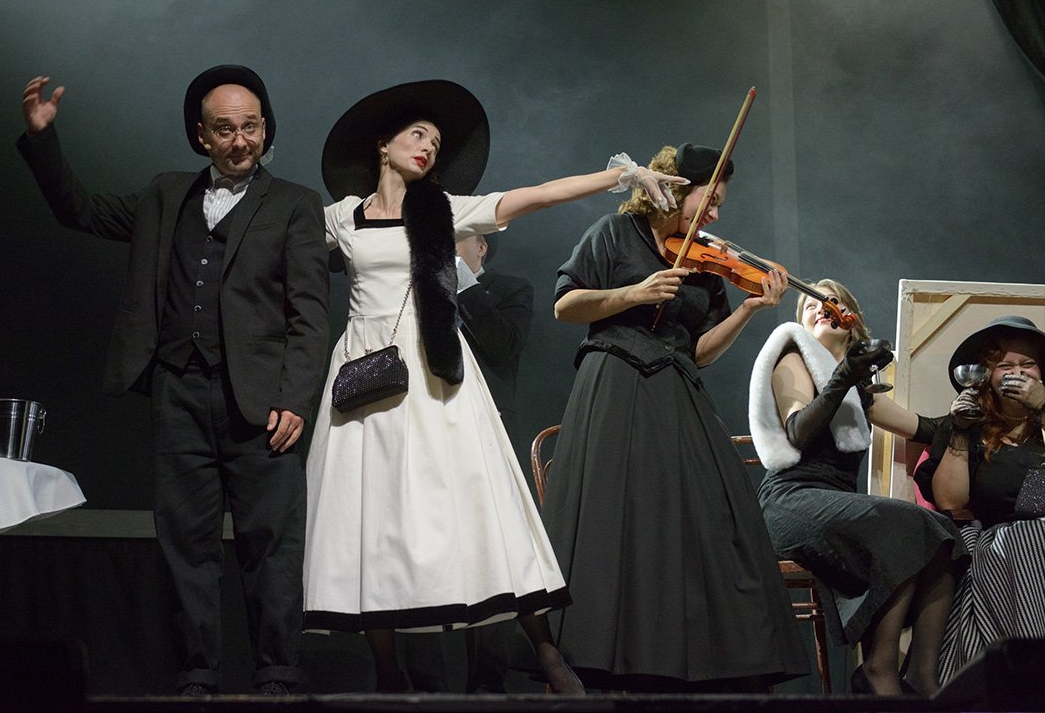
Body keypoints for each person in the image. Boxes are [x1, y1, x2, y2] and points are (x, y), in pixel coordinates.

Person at [301, 79, 687, 695]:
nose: (428, 147)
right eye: (417, 134)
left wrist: (623, 176)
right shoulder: (341, 217)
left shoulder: (443, 210)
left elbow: (537, 195)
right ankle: (388, 672)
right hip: (363, 369)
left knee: (478, 498)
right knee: (368, 507)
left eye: (436, 142)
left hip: (432, 368)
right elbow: (273, 241)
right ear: (383, 144)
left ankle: (546, 652)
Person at [16, 67, 330, 696]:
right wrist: (43, 139)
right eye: (225, 129)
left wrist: (295, 398)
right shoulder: (165, 194)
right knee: (185, 543)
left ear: (265, 129)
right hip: (179, 390)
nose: (240, 140)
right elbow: (80, 209)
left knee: (271, 544)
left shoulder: (295, 204)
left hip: (262, 403)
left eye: (250, 127)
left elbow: (311, 313)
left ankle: (276, 674)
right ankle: (197, 676)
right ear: (202, 135)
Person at [542, 142, 808, 692]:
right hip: (616, 382)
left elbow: (700, 351)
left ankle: (700, 664)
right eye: (710, 201)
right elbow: (565, 305)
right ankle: (605, 658)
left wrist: (748, 309)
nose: (715, 216)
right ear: (675, 188)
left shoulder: (703, 261)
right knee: (618, 522)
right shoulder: (614, 234)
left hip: (677, 388)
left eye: (719, 205)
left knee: (708, 522)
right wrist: (632, 293)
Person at [749, 280, 966, 696]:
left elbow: (925, 428)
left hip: (837, 507)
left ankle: (922, 674)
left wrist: (969, 412)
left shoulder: (859, 390)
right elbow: (797, 432)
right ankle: (879, 668)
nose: (822, 306)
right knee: (898, 523)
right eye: (811, 303)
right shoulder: (792, 358)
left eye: (833, 301)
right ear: (802, 322)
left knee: (943, 534)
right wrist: (844, 375)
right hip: (789, 501)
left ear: (851, 322)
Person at [400, 232, 535, 693]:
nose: (447, 245)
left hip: (487, 432)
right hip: (424, 428)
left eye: (460, 238)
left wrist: (460, 280)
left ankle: (488, 688)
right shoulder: (413, 289)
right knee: (420, 553)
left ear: (482, 248)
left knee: (492, 555)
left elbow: (503, 346)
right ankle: (426, 689)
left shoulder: (510, 289)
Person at [914, 315, 1045, 684]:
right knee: (1018, 540)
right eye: (1004, 366)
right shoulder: (972, 427)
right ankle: (1024, 667)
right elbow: (950, 501)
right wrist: (959, 430)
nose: (1017, 373)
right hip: (1000, 540)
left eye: (1027, 364)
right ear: (987, 376)